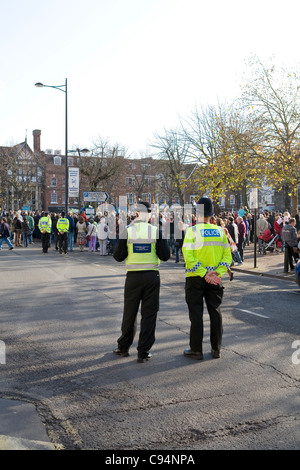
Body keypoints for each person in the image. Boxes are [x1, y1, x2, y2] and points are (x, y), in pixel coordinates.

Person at [113, 201, 170, 363]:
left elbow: (118, 257)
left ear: (136, 214)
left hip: (133, 278)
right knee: (149, 314)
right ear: (150, 215)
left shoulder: (128, 231)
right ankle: (143, 352)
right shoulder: (155, 231)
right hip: (152, 277)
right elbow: (165, 256)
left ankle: (123, 347)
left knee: (129, 313)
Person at [182, 197, 231, 360]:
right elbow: (227, 256)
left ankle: (196, 350)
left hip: (195, 278)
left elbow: (188, 256)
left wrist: (204, 273)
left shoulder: (192, 231)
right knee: (215, 313)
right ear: (211, 214)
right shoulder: (220, 231)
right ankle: (216, 349)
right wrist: (217, 273)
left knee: (196, 314)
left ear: (197, 213)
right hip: (215, 279)